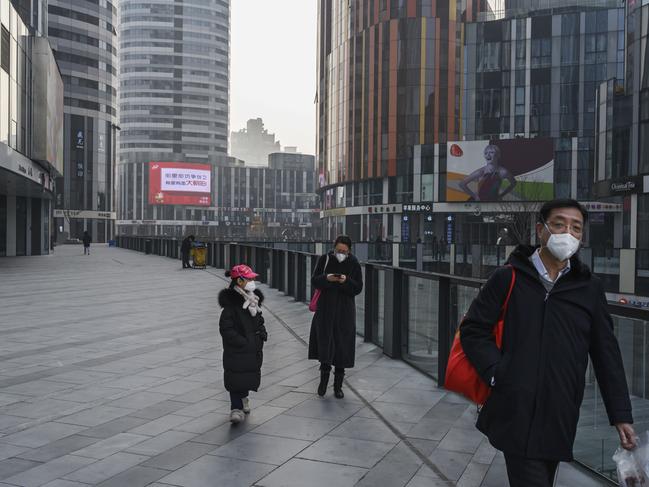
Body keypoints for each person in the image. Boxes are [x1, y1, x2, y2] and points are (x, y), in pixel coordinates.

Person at [460, 199, 635, 487]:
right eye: (559, 224)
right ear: (541, 229)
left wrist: (621, 415)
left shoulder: (589, 288)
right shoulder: (508, 277)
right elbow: (474, 330)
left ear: (581, 237)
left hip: (559, 410)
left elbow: (606, 354)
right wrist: (497, 371)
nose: (568, 232)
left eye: (576, 227)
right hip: (514, 406)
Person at [309, 235, 363, 398]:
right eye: (339, 250)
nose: (341, 253)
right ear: (334, 248)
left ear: (349, 251)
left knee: (342, 347)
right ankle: (323, 382)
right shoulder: (325, 259)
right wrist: (327, 278)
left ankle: (338, 386)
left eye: (344, 251)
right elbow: (315, 280)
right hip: (325, 309)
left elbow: (358, 287)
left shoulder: (354, 263)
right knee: (325, 346)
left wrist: (345, 281)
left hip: (345, 312)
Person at [218, 264, 268, 424]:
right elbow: (226, 328)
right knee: (235, 377)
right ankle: (236, 407)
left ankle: (244, 397)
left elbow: (259, 320)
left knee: (246, 376)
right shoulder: (230, 306)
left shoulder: (253, 301)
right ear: (239, 281)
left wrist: (262, 334)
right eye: (250, 278)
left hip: (252, 348)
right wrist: (242, 342)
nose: (253, 281)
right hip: (237, 350)